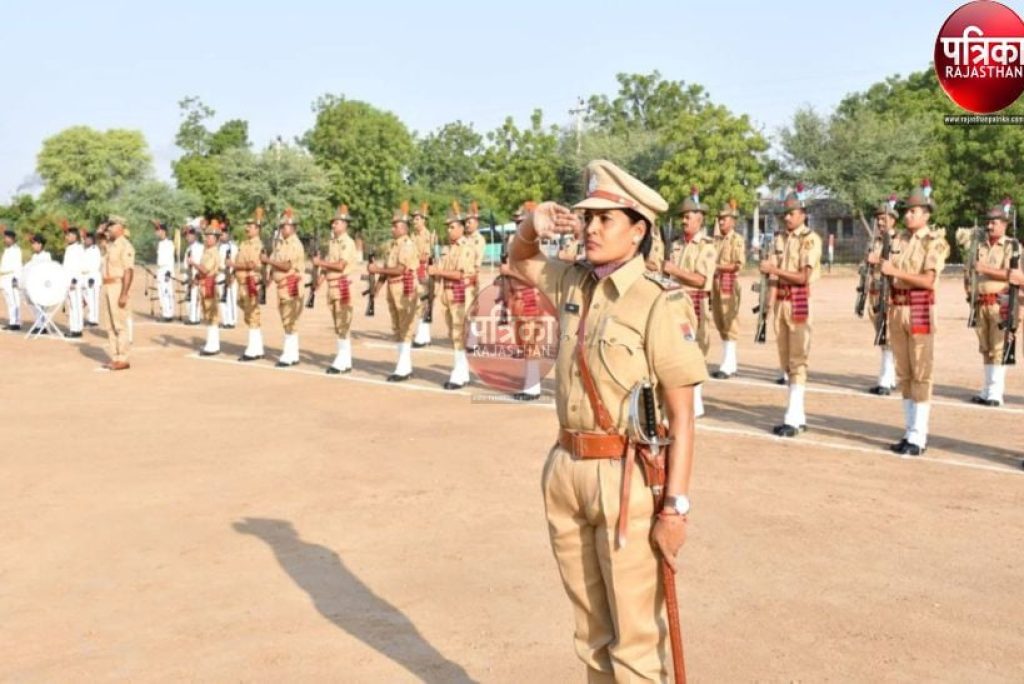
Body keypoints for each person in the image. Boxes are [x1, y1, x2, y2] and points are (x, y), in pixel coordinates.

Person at [508, 159, 706, 682]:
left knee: (634, 643)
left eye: (606, 219)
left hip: (626, 480)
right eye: (586, 218)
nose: (591, 228)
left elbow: (683, 417)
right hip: (566, 469)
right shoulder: (574, 283)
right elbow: (520, 260)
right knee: (591, 636)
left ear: (638, 230)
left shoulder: (659, 302)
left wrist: (676, 509)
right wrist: (533, 223)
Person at [872, 179, 949, 456]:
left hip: (918, 304)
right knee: (904, 372)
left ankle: (919, 435)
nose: (907, 215)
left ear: (926, 214)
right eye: (906, 211)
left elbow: (928, 280)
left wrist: (895, 273)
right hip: (897, 306)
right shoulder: (898, 241)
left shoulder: (935, 242)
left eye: (913, 211)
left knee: (921, 372)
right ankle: (909, 430)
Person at [758, 185, 823, 438]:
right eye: (785, 214)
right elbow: (773, 277)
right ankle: (799, 414)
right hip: (781, 302)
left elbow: (802, 277)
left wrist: (773, 271)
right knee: (785, 362)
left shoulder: (810, 239)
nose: (787, 217)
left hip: (798, 300)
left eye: (792, 213)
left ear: (803, 214)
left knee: (797, 361)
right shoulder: (780, 239)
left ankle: (793, 417)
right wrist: (767, 305)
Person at [663, 187, 716, 417]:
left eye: (687, 216)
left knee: (695, 350)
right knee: (676, 350)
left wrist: (674, 269)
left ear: (699, 218)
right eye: (682, 216)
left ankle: (695, 402)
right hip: (675, 302)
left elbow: (702, 279)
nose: (683, 220)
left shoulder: (707, 246)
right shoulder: (676, 244)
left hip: (695, 303)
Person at [368, 202, 420, 381]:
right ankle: (403, 364)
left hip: (404, 288)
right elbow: (386, 268)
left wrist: (378, 271)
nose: (392, 228)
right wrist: (376, 288)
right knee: (397, 327)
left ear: (404, 228)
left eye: (395, 225)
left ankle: (403, 368)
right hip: (392, 287)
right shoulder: (393, 245)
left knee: (405, 326)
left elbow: (399, 269)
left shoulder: (406, 245)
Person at [971, 198, 1015, 406]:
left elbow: (1012, 274)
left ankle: (996, 392)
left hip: (1001, 302)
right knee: (985, 347)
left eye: (994, 222)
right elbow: (971, 273)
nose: (989, 226)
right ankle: (986, 389)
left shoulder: (1011, 246)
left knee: (999, 347)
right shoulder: (980, 246)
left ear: (1004, 224)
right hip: (981, 303)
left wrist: (985, 269)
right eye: (988, 222)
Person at [429, 202, 476, 389]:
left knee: (458, 333)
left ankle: (458, 372)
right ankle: (462, 371)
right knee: (453, 334)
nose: (448, 231)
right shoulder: (448, 248)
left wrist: (437, 271)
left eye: (452, 227)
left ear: (462, 228)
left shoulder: (466, 247)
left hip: (460, 293)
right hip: (447, 293)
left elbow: (459, 274)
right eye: (447, 227)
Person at [315, 204, 358, 374]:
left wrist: (320, 263)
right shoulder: (333, 242)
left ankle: (341, 359)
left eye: (337, 222)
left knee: (343, 322)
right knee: (338, 324)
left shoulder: (347, 243)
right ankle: (345, 359)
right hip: (332, 286)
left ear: (345, 224)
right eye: (333, 223)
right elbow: (329, 265)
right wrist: (320, 279)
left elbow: (340, 266)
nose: (333, 225)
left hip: (342, 285)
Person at [261, 209, 305, 367]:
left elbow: (286, 266)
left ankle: (289, 353)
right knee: (287, 319)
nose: (282, 229)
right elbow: (273, 263)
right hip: (282, 286)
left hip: (291, 284)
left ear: (293, 227)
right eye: (281, 226)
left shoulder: (294, 244)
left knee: (289, 319)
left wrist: (267, 261)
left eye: (284, 226)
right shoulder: (280, 244)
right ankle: (293, 353)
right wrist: (268, 280)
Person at [865, 198, 900, 395]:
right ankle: (889, 376)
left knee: (888, 336)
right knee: (882, 335)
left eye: (884, 218)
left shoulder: (898, 241)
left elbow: (896, 262)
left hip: (890, 292)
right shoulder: (875, 241)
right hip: (875, 292)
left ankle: (886, 380)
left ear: (894, 220)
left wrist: (877, 259)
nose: (880, 222)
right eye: (878, 219)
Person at [710, 200, 746, 379]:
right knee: (719, 321)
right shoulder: (716, 240)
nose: (721, 222)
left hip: (728, 282)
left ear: (732, 221)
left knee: (729, 321)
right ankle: (728, 361)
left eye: (724, 219)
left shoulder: (736, 240)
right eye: (720, 219)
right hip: (715, 282)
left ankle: (729, 363)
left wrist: (716, 266)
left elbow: (737, 264)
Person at [230, 209, 266, 361]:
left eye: (250, 226)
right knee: (248, 314)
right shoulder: (244, 243)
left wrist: (235, 266)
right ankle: (257, 346)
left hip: (251, 282)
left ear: (257, 229)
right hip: (241, 282)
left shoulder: (258, 245)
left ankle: (253, 349)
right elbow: (240, 260)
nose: (247, 228)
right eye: (247, 226)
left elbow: (252, 264)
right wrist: (233, 272)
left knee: (252, 314)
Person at [100, 216, 135, 370]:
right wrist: (101, 231)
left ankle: (123, 358)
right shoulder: (111, 245)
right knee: (110, 325)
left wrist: (124, 293)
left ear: (120, 227)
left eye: (111, 226)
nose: (109, 229)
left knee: (120, 324)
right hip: (107, 286)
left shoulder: (125, 246)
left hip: (117, 286)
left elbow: (128, 271)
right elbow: (99, 239)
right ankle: (115, 357)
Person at [191, 222, 223, 356]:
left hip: (209, 284)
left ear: (216, 239)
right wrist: (196, 278)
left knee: (212, 315)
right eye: (207, 236)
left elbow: (205, 269)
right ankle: (211, 343)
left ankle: (213, 345)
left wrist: (193, 264)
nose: (207, 239)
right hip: (204, 284)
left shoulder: (213, 252)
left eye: (210, 236)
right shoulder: (207, 251)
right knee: (208, 315)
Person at [411, 203, 435, 348]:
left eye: (417, 219)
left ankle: (422, 336)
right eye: (414, 219)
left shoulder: (428, 236)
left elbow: (426, 256)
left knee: (424, 304)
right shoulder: (413, 236)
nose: (415, 221)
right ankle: (424, 336)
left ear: (423, 220)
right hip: (414, 272)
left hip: (424, 272)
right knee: (419, 305)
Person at [62, 227, 87, 337]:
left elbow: (79, 266)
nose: (67, 237)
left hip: (75, 282)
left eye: (69, 235)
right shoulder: (69, 248)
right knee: (71, 305)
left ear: (75, 236)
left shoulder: (78, 248)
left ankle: (77, 329)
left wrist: (74, 280)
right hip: (68, 281)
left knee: (76, 305)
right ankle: (73, 328)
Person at [153, 221, 176, 322]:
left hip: (166, 270)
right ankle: (165, 312)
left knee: (167, 292)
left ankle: (169, 314)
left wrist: (169, 272)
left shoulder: (169, 243)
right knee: (161, 292)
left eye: (158, 230)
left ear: (163, 231)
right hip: (160, 270)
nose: (156, 232)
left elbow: (170, 259)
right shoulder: (160, 243)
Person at [0, 228, 22, 330]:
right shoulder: (7, 250)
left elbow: (18, 265)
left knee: (14, 300)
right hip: (4, 277)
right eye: (5, 238)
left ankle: (16, 322)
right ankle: (12, 321)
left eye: (7, 238)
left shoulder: (16, 250)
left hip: (11, 277)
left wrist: (16, 279)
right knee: (9, 301)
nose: (6, 240)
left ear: (12, 239)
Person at [218, 227, 239, 328]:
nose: (221, 236)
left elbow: (237, 262)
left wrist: (233, 275)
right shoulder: (219, 247)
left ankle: (232, 321)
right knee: (222, 299)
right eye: (220, 234)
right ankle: (225, 321)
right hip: (220, 274)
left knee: (231, 299)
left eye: (223, 234)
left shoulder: (233, 247)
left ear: (227, 234)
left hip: (230, 274)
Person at [183, 227, 204, 325]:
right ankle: (191, 316)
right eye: (186, 235)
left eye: (190, 235)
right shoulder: (188, 249)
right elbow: (186, 264)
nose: (188, 237)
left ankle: (195, 318)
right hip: (188, 275)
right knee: (189, 298)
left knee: (195, 297)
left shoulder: (200, 247)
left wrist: (197, 277)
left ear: (195, 236)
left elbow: (200, 263)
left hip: (196, 275)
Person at [82, 230, 102, 327]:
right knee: (87, 298)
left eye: (89, 239)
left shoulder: (95, 249)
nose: (87, 240)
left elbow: (96, 264)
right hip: (84, 276)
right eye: (86, 239)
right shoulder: (84, 250)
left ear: (93, 240)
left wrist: (91, 279)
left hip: (92, 277)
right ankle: (90, 317)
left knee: (93, 299)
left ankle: (94, 320)